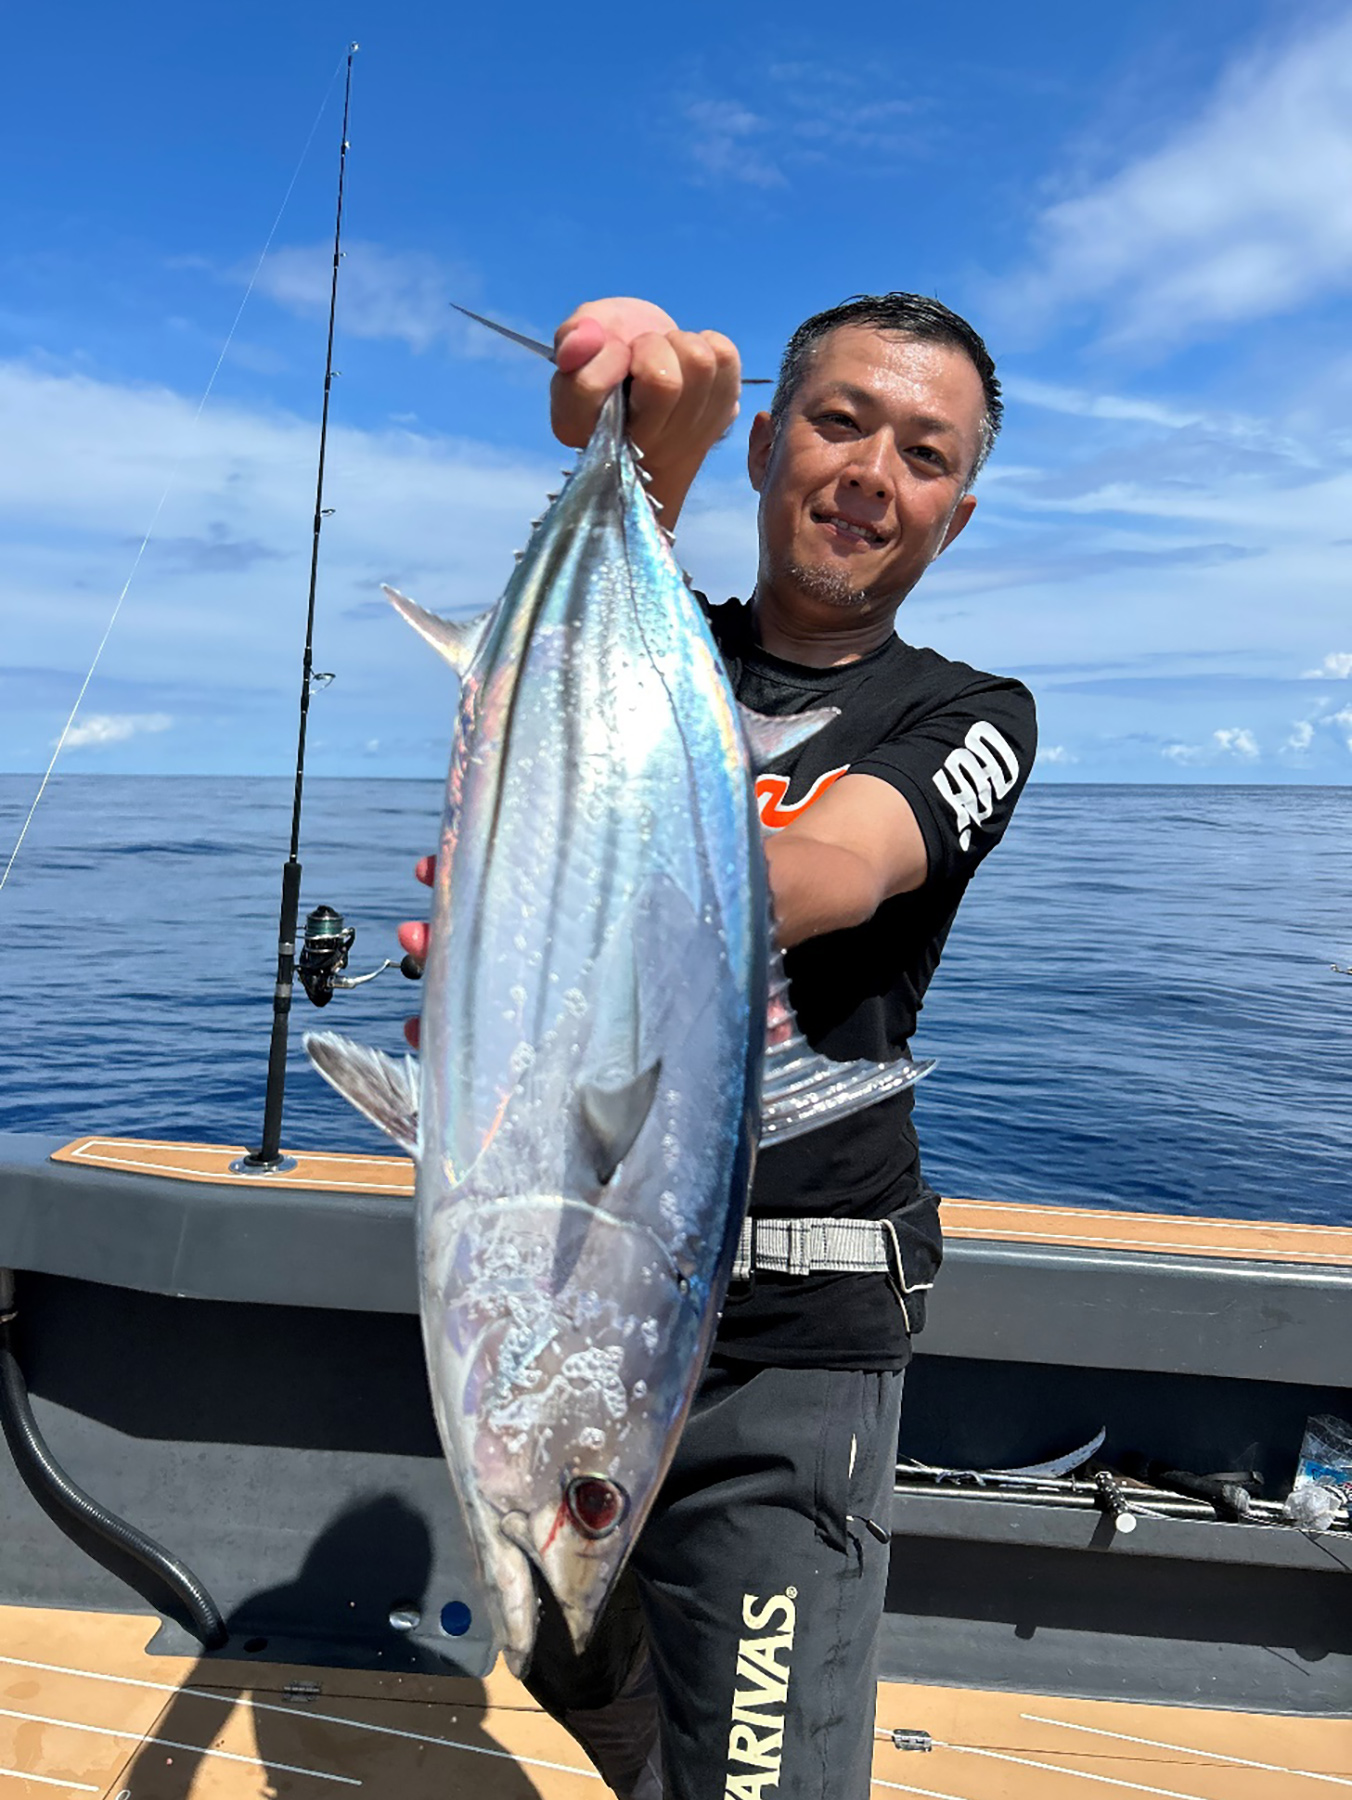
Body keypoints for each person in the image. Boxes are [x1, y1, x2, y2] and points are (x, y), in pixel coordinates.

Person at [400, 293, 1035, 1800]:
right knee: (552, 1611)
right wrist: (644, 463)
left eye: (926, 451)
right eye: (837, 420)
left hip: (793, 1357)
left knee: (760, 1778)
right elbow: (544, 759)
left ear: (956, 503)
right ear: (763, 441)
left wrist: (551, 922)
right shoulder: (645, 643)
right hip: (591, 1277)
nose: (876, 469)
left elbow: (831, 871)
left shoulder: (965, 712)